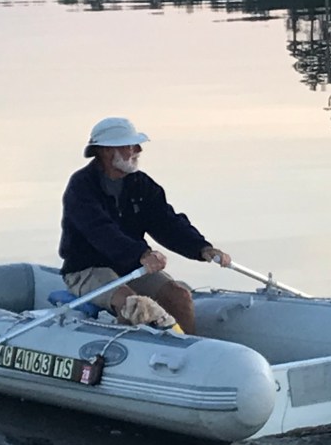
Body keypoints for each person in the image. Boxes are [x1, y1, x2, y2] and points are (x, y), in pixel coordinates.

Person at [59, 116, 231, 334]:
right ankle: (125, 348)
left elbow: (166, 222)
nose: (138, 150)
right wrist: (141, 254)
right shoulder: (81, 186)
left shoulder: (141, 184)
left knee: (178, 296)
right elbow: (100, 231)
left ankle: (187, 346)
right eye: (130, 146)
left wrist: (201, 248)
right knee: (134, 305)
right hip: (88, 269)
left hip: (130, 266)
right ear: (107, 151)